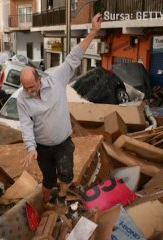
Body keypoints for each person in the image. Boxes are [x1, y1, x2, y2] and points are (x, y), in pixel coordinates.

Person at [17, 13, 102, 208]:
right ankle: (47, 200)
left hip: (63, 142)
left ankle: (62, 196)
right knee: (48, 178)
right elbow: (25, 123)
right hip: (42, 147)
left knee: (66, 173)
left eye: (32, 86)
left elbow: (74, 57)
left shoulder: (56, 79)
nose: (29, 91)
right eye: (26, 88)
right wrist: (30, 148)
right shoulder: (22, 98)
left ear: (39, 79)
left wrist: (93, 32)